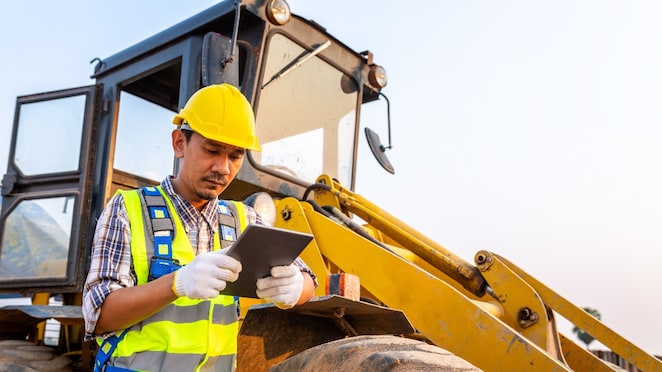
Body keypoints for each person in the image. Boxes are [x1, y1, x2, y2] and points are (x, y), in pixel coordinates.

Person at [82, 84, 317, 372]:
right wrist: (176, 284)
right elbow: (98, 315)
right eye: (212, 150)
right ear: (179, 143)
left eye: (235, 156)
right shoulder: (127, 210)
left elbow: (309, 281)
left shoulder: (245, 220)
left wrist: (296, 286)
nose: (223, 167)